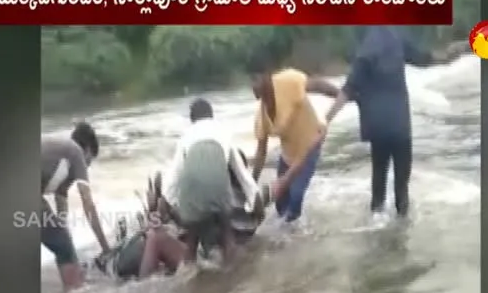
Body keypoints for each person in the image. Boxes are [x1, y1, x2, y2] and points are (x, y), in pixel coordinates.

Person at [99, 143, 320, 281]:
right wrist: (309, 147)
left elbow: (182, 218)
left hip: (208, 265)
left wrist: (156, 207)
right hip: (228, 264)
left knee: (156, 237)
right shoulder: (254, 204)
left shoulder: (208, 200)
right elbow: (286, 179)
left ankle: (144, 289)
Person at [323, 26, 460, 221]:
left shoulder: (365, 51)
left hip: (378, 128)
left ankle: (377, 232)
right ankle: (401, 236)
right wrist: (446, 58)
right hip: (400, 126)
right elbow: (422, 58)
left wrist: (325, 121)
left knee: (378, 183)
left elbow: (348, 89)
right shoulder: (397, 36)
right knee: (402, 187)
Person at [163, 98, 262, 268]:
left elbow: (174, 176)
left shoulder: (186, 135)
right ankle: (231, 272)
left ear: (192, 119)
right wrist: (254, 202)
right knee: (227, 232)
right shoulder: (223, 132)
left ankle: (188, 277)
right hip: (219, 187)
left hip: (191, 189)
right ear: (211, 116)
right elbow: (241, 173)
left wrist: (168, 203)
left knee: (192, 240)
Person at [251, 68, 340, 224]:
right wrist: (251, 184)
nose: (255, 85)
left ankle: (297, 240)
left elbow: (317, 85)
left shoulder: (288, 82)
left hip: (311, 143)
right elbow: (261, 153)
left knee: (295, 198)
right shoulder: (262, 116)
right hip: (288, 155)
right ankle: (284, 238)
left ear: (267, 77)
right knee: (280, 205)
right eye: (252, 82)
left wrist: (343, 95)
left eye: (258, 80)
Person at [41, 121, 110, 292]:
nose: (87, 166)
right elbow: (88, 204)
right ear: (87, 149)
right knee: (63, 246)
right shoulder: (75, 152)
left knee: (60, 239)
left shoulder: (60, 157)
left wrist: (63, 228)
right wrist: (106, 248)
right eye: (90, 161)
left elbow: (60, 196)